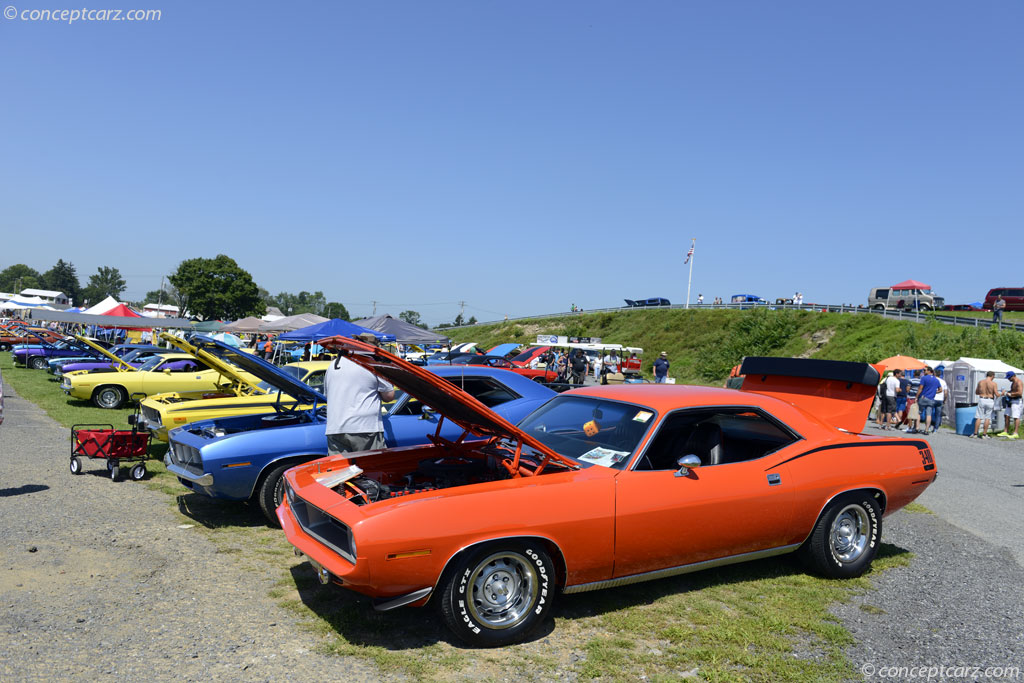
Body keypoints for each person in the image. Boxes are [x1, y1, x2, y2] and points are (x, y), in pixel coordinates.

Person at [323, 333, 396, 455]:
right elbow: (389, 396)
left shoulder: (334, 364)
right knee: (371, 469)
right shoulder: (372, 365)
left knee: (342, 471)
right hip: (364, 427)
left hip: (335, 427)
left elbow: (328, 395)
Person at [995, 370, 1023, 439]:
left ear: (1013, 376)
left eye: (1009, 377)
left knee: (1016, 417)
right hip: (1011, 400)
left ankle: (1015, 433)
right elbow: (1013, 391)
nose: (1008, 379)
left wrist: (1010, 394)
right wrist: (1006, 392)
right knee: (1006, 415)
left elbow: (1019, 393)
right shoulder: (1013, 382)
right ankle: (1005, 431)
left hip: (1016, 401)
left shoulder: (1019, 382)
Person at [973, 371, 1000, 439]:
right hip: (990, 400)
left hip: (982, 399)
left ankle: (975, 434)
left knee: (978, 417)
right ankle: (984, 435)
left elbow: (976, 392)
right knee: (987, 418)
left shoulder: (980, 382)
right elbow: (997, 394)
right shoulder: (994, 384)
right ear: (992, 376)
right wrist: (1002, 393)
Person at [916, 366, 940, 433]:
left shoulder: (924, 378)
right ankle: (926, 430)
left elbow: (920, 388)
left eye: (925, 370)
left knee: (919, 412)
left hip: (923, 397)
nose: (924, 371)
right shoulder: (936, 380)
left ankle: (917, 428)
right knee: (928, 414)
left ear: (930, 371)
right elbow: (940, 389)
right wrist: (934, 392)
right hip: (931, 399)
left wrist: (916, 396)